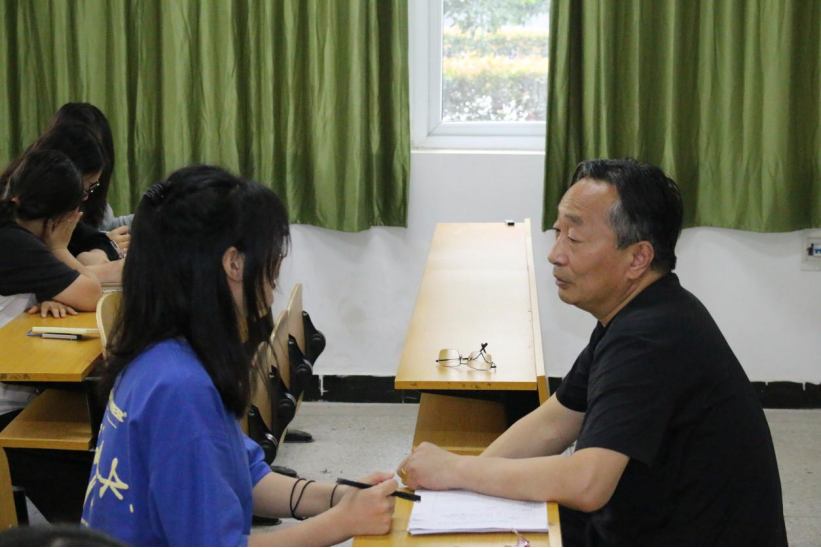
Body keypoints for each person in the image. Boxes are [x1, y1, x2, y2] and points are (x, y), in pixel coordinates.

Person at [399, 159, 788, 547]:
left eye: (574, 238)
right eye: (558, 231)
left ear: (638, 258)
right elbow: (553, 423)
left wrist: (458, 469)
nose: (555, 254)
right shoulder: (640, 313)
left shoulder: (651, 337)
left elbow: (588, 484)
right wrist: (455, 485)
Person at [83, 165, 396, 546]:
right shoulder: (181, 387)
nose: (275, 274)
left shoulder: (162, 353)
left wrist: (339, 498)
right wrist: (342, 523)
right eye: (273, 256)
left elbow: (246, 475)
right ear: (234, 263)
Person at [0, 150, 104, 522]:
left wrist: (50, 293)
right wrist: (59, 247)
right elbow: (92, 294)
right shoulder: (16, 242)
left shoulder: (13, 232)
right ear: (61, 217)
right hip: (8, 405)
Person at [1, 124, 124, 282]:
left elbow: (96, 239)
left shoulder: (35, 209)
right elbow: (89, 290)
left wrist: (95, 253)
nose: (85, 198)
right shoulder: (20, 236)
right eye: (85, 189)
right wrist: (61, 251)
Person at [47, 103, 133, 252]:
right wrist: (103, 245)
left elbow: (106, 225)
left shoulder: (91, 197)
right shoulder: (47, 208)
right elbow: (57, 251)